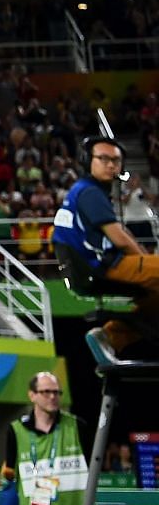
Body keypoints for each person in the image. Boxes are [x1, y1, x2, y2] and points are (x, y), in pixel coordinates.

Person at [52, 136, 158, 362]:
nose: (111, 165)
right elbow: (119, 238)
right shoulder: (90, 192)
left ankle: (108, 337)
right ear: (87, 161)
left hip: (92, 267)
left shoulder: (85, 190)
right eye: (104, 159)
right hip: (103, 265)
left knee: (154, 304)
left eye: (116, 160)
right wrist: (146, 262)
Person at [2, 370, 88, 505]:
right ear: (32, 395)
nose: (52, 396)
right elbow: (11, 478)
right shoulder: (15, 430)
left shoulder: (77, 426)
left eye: (57, 392)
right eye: (46, 392)